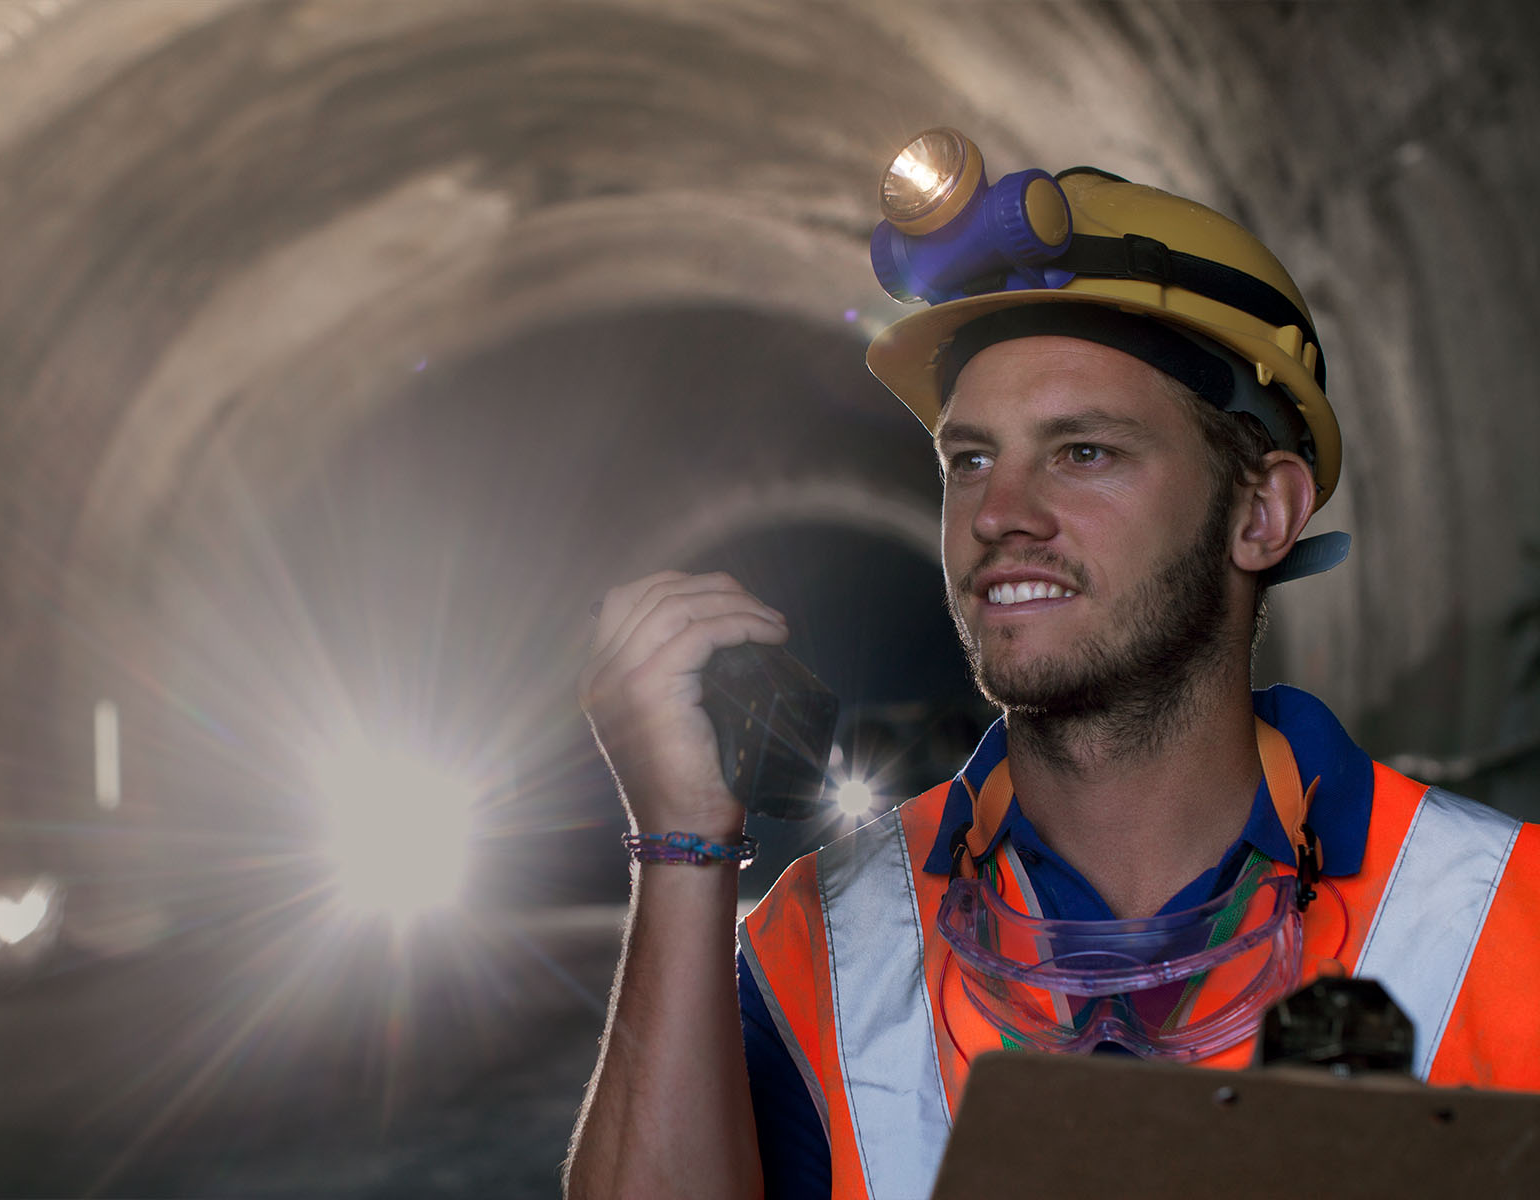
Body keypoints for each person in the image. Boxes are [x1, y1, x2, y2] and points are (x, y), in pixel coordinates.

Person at [564, 130, 1540, 1200]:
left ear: (1262, 512)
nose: (1001, 515)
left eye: (1085, 452)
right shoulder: (827, 942)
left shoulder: (1506, 919)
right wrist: (681, 850)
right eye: (970, 459)